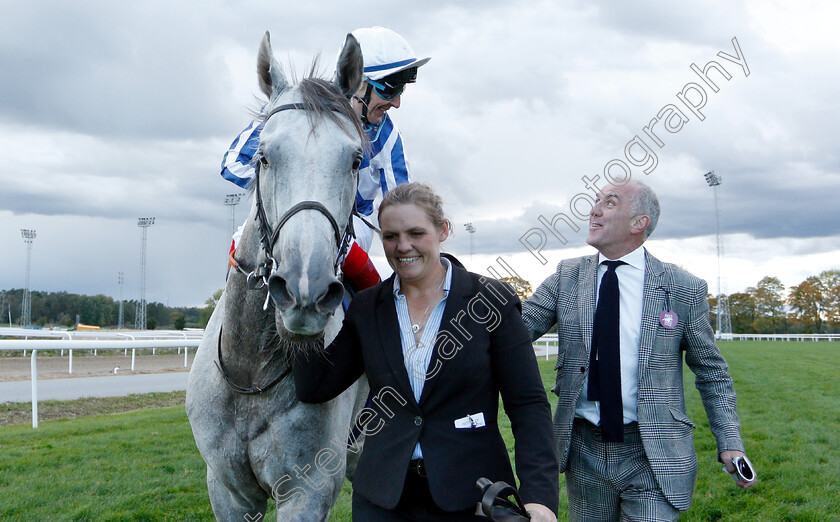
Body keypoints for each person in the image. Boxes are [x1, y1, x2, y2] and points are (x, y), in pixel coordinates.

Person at [293, 182, 559, 521]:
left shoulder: (490, 300)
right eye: (391, 236)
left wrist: (539, 498)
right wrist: (300, 312)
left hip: (472, 497)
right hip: (383, 500)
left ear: (443, 229)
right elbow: (316, 387)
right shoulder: (367, 306)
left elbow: (528, 405)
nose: (403, 246)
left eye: (416, 233)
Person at [522, 180, 756, 521]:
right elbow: (517, 329)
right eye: (596, 201)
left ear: (638, 223)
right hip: (583, 451)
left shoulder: (683, 287)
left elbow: (711, 371)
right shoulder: (566, 275)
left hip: (653, 453)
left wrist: (730, 441)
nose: (594, 210)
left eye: (610, 203)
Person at [220, 27, 429, 290]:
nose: (397, 102)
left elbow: (401, 204)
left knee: (352, 256)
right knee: (242, 243)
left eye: (402, 89)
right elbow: (233, 164)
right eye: (390, 89)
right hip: (281, 213)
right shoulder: (286, 110)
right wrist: (288, 184)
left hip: (351, 225)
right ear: (359, 81)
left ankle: (377, 317)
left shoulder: (388, 137)